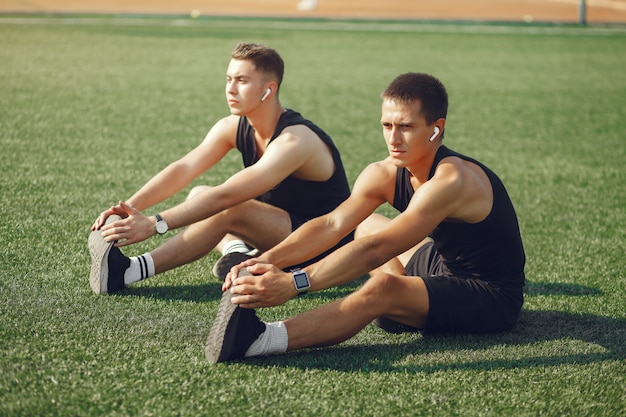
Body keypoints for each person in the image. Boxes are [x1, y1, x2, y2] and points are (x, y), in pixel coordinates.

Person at [205, 72, 526, 363]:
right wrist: (267, 259)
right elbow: (333, 224)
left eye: (407, 127)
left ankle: (261, 339)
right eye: (387, 125)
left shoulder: (452, 180)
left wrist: (294, 282)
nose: (393, 139)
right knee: (365, 224)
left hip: (490, 293)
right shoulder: (384, 173)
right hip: (443, 264)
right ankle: (401, 306)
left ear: (436, 128)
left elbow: (378, 250)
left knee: (383, 287)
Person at [88, 42, 352, 294]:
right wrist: (129, 208)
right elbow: (184, 168)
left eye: (242, 81)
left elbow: (227, 197)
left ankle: (127, 272)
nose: (231, 89)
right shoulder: (236, 125)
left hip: (323, 244)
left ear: (269, 90)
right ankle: (236, 251)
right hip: (279, 228)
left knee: (228, 206)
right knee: (199, 193)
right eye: (229, 79)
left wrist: (154, 224)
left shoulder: (295, 140)